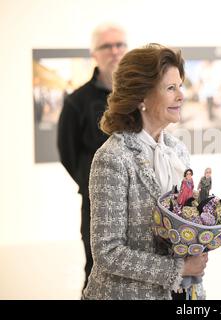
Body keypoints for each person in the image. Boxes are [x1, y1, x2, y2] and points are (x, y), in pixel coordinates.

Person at [82, 43, 208, 300]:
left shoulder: (178, 151)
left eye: (180, 86)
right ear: (142, 97)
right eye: (171, 88)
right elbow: (108, 252)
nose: (181, 96)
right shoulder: (112, 157)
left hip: (182, 293)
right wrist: (178, 268)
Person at [57, 23, 128, 292]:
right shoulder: (77, 101)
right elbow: (68, 152)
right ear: (94, 54)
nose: (115, 51)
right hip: (96, 204)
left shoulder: (137, 97)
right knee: (97, 272)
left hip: (137, 203)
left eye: (120, 44)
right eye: (107, 46)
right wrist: (93, 184)